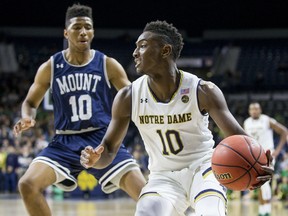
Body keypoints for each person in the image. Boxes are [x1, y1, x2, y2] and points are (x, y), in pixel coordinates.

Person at [80, 20, 273, 216]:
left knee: (211, 212)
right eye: (136, 47)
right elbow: (109, 151)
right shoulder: (127, 97)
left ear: (165, 51)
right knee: (146, 211)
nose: (135, 53)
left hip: (204, 170)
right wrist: (95, 158)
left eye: (143, 46)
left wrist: (260, 163)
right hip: (163, 177)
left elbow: (240, 140)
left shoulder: (203, 91)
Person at [13, 3, 146, 216]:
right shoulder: (51, 66)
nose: (83, 32)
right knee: (27, 184)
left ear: (93, 32)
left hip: (103, 140)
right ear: (66, 33)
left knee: (147, 195)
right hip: (65, 141)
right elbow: (29, 102)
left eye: (88, 27)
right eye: (77, 27)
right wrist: (28, 117)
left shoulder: (107, 64)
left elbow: (133, 98)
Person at [244, 102, 288, 216]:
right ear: (249, 111)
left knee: (265, 182)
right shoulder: (246, 122)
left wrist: (277, 151)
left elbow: (284, 132)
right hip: (253, 155)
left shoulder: (267, 120)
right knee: (259, 184)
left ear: (260, 110)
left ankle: (266, 210)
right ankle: (262, 210)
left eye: (256, 109)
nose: (254, 111)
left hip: (267, 155)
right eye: (252, 109)